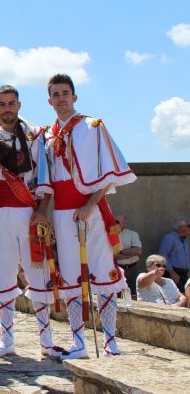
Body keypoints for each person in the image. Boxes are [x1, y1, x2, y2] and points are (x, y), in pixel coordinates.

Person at [34, 73, 136, 359]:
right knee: (69, 277)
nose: (61, 98)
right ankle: (78, 341)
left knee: (103, 272)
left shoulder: (92, 128)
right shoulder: (48, 137)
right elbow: (48, 183)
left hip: (91, 209)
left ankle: (110, 340)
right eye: (55, 94)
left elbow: (109, 174)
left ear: (74, 97)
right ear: (49, 100)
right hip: (63, 214)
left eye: (65, 93)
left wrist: (91, 205)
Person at [0, 85, 65, 359]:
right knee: (3, 275)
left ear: (19, 105)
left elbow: (44, 174)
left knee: (37, 274)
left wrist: (42, 209)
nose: (7, 108)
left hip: (28, 211)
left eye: (11, 103)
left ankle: (46, 341)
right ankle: (7, 340)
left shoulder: (35, 134)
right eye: (2, 104)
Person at [158, 217, 190, 290]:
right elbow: (162, 256)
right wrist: (172, 272)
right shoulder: (169, 238)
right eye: (188, 226)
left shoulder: (185, 240)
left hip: (183, 273)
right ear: (180, 227)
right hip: (173, 272)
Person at [115, 214, 142, 295]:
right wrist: (131, 253)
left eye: (117, 222)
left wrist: (120, 252)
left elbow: (138, 251)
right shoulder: (110, 235)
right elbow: (112, 256)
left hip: (132, 268)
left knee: (133, 293)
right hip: (117, 268)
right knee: (118, 293)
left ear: (124, 223)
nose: (115, 223)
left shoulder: (132, 234)